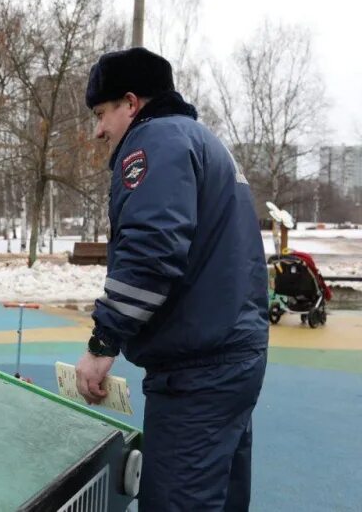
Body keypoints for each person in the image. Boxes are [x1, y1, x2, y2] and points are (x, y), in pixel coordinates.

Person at [75, 47, 268, 511]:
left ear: (131, 102)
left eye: (101, 114)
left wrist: (103, 344)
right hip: (232, 354)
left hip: (198, 369)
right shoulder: (202, 140)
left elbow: (151, 250)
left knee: (177, 500)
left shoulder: (154, 143)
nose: (99, 130)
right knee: (219, 497)